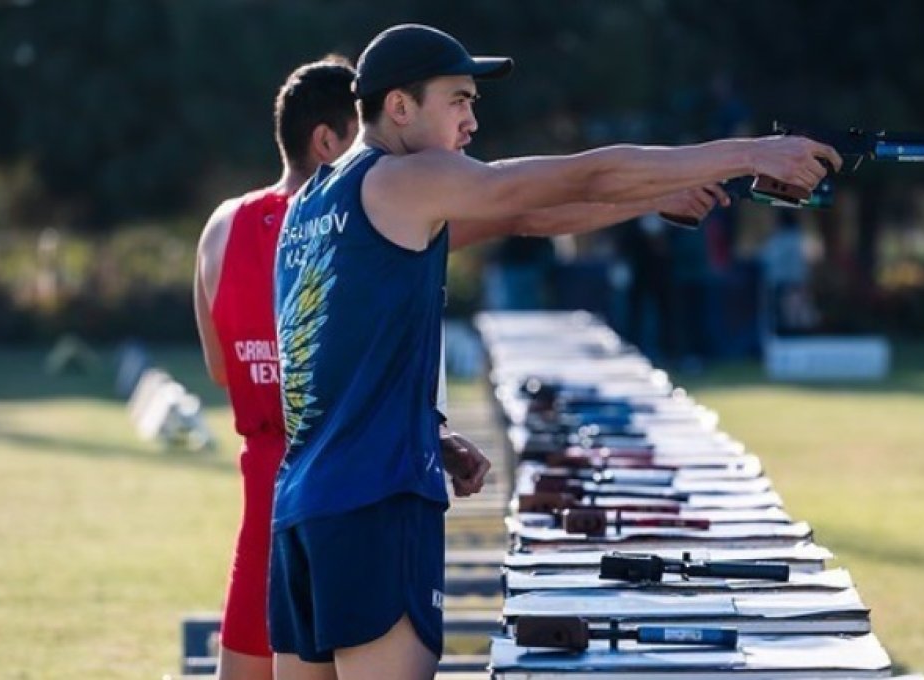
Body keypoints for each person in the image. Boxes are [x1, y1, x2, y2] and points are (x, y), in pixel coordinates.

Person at [270, 23, 840, 680]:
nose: (473, 120)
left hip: (303, 508)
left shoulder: (317, 201)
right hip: (373, 502)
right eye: (458, 99)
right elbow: (582, 173)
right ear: (398, 106)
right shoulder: (405, 179)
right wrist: (753, 152)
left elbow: (521, 218)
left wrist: (657, 195)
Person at [192, 55, 358, 680]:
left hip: (263, 505)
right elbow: (517, 208)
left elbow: (219, 369)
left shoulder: (220, 225)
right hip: (341, 494)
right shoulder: (359, 220)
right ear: (327, 141)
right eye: (364, 138)